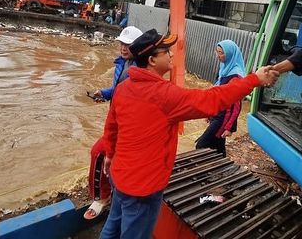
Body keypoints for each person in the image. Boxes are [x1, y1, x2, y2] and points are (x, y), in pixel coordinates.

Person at [99, 29, 279, 239]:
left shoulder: (123, 88)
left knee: (113, 226)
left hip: (120, 175)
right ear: (151, 60)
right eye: (166, 51)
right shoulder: (165, 95)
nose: (172, 55)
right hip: (143, 187)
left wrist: (110, 155)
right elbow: (213, 100)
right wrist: (254, 79)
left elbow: (111, 129)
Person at [84, 26, 143, 220]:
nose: (123, 48)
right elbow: (118, 89)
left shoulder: (140, 69)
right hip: (115, 118)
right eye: (122, 43)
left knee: (99, 152)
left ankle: (102, 197)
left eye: (128, 45)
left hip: (126, 123)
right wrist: (105, 93)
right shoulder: (122, 63)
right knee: (110, 156)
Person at [195, 40, 246, 155]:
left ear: (230, 55)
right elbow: (217, 94)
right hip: (217, 114)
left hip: (222, 118)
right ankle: (223, 169)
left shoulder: (235, 76)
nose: (218, 56)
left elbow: (236, 106)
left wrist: (229, 127)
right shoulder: (224, 69)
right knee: (217, 146)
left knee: (201, 145)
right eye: (217, 52)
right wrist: (209, 113)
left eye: (221, 53)